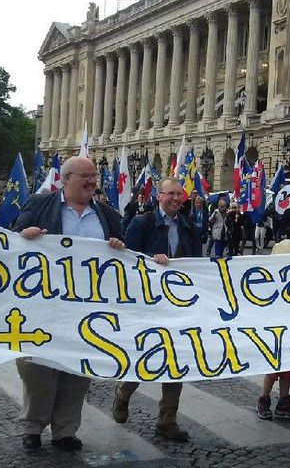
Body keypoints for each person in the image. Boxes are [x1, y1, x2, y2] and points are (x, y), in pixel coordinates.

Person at [13, 156, 125, 452]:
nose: (92, 181)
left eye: (94, 176)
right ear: (65, 179)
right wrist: (25, 237)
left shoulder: (108, 215)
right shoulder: (39, 205)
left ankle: (65, 429)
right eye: (85, 176)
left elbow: (125, 257)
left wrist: (119, 248)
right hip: (43, 303)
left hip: (87, 307)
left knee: (77, 369)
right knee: (36, 367)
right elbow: (10, 245)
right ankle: (33, 426)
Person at [113, 177, 201, 441]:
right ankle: (123, 393)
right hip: (148, 303)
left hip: (178, 303)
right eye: (171, 194)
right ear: (159, 196)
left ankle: (167, 419)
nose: (176, 198)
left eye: (179, 194)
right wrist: (153, 262)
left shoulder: (189, 226)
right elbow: (128, 260)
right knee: (146, 355)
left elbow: (196, 264)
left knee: (176, 360)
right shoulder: (143, 223)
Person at [256, 239, 290, 421]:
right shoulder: (271, 278)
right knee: (273, 366)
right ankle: (264, 399)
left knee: (289, 366)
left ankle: (284, 401)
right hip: (276, 329)